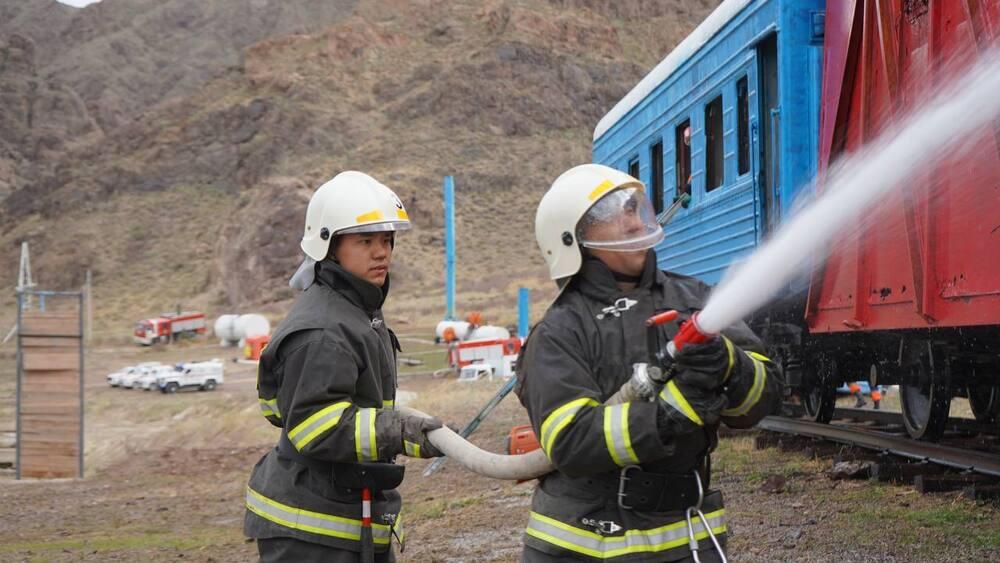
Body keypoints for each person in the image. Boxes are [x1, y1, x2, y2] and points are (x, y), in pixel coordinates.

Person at [516, 164, 783, 562]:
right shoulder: (559, 332)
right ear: (574, 239)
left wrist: (729, 364)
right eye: (608, 215)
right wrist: (669, 414)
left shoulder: (695, 299)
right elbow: (570, 442)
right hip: (580, 546)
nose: (630, 221)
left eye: (632, 208)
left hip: (687, 537)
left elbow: (766, 397)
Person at [244, 171, 444, 562]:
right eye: (365, 241)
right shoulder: (323, 329)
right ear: (330, 247)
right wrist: (395, 430)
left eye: (387, 240)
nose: (381, 252)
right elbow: (312, 425)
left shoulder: (356, 309)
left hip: (339, 513)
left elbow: (280, 409)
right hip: (312, 531)